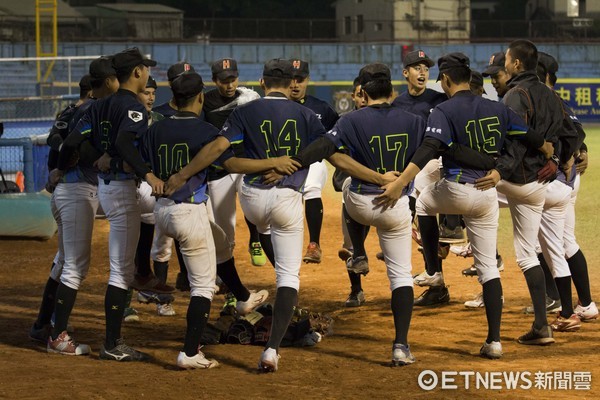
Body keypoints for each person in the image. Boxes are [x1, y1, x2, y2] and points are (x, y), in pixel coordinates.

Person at [162, 58, 386, 372]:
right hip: (287, 199)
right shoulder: (307, 114)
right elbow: (336, 156)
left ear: (263, 83)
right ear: (290, 83)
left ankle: (256, 244)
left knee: (254, 227)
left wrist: (183, 174)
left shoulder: (245, 110)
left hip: (252, 197)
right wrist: (378, 178)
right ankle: (271, 351)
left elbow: (216, 150)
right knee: (288, 277)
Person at [375, 52, 554, 358]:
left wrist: (400, 180)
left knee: (421, 203)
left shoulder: (443, 109)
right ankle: (494, 342)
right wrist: (545, 146)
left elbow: (430, 148)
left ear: (445, 80)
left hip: (456, 189)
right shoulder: (495, 107)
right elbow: (526, 134)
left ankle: (433, 268)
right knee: (488, 269)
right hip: (486, 193)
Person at [293, 62, 426, 365]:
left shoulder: (351, 120)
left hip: (364, 203)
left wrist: (295, 161)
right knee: (401, 276)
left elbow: (324, 148)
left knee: (347, 189)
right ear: (393, 91)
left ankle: (356, 250)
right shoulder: (414, 119)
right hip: (397, 205)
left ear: (363, 92)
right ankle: (401, 346)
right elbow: (432, 150)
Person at [140, 71, 275, 369]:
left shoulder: (155, 128)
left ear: (173, 98)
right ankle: (190, 352)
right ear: (200, 97)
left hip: (162, 210)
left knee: (221, 243)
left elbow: (137, 161)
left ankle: (242, 298)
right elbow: (231, 163)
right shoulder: (203, 130)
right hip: (188, 211)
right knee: (202, 287)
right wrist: (271, 163)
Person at [56, 47, 165, 361]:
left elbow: (74, 142)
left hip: (103, 186)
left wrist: (95, 159)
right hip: (119, 188)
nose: (148, 73)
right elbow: (122, 142)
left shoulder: (98, 105)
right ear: (135, 73)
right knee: (121, 272)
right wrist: (145, 171)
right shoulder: (133, 107)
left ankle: (67, 331)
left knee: (111, 267)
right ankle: (113, 344)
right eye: (145, 68)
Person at [476, 39, 579, 345]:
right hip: (538, 186)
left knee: (458, 185)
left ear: (516, 64)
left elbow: (514, 144)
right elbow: (570, 134)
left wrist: (498, 172)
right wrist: (558, 158)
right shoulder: (550, 94)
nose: (504, 65)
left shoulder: (514, 96)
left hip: (514, 181)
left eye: (507, 60)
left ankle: (452, 233)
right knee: (526, 253)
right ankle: (541, 325)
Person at [29, 57, 119, 351]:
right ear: (107, 82)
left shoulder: (80, 109)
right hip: (78, 192)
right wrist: (65, 166)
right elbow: (69, 143)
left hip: (68, 191)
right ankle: (57, 337)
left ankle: (43, 326)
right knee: (75, 267)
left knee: (63, 263)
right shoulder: (97, 109)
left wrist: (58, 170)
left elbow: (60, 139)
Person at [203, 58, 268, 267]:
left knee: (254, 204)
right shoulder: (205, 102)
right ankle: (227, 272)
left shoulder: (248, 98)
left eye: (233, 79)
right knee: (224, 227)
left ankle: (255, 239)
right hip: (218, 169)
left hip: (243, 164)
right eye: (224, 81)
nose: (229, 85)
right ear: (214, 80)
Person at [289, 59, 340, 264]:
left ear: (307, 80)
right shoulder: (277, 105)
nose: (295, 84)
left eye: (299, 79)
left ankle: (314, 244)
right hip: (284, 160)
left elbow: (337, 134)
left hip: (314, 161)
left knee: (310, 186)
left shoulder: (321, 108)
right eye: (291, 79)